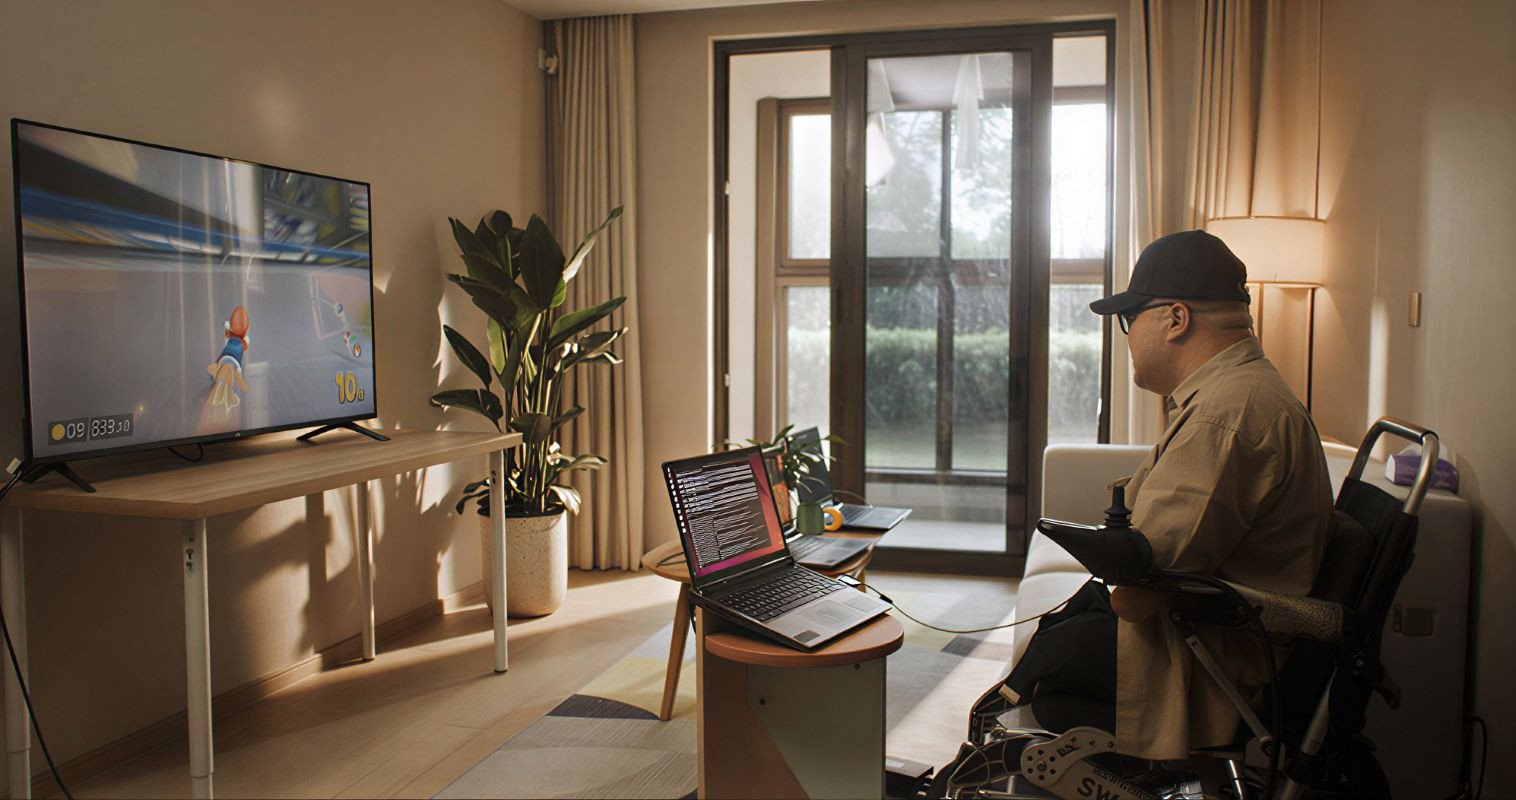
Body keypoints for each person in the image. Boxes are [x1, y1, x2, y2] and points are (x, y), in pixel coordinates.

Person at [1002, 230, 1334, 761]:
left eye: (1130, 319)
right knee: (1056, 639)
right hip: (1220, 638)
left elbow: (1135, 596)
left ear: (1176, 319)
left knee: (1053, 665)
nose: (1128, 336)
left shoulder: (1225, 417)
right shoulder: (1237, 394)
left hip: (1203, 665)